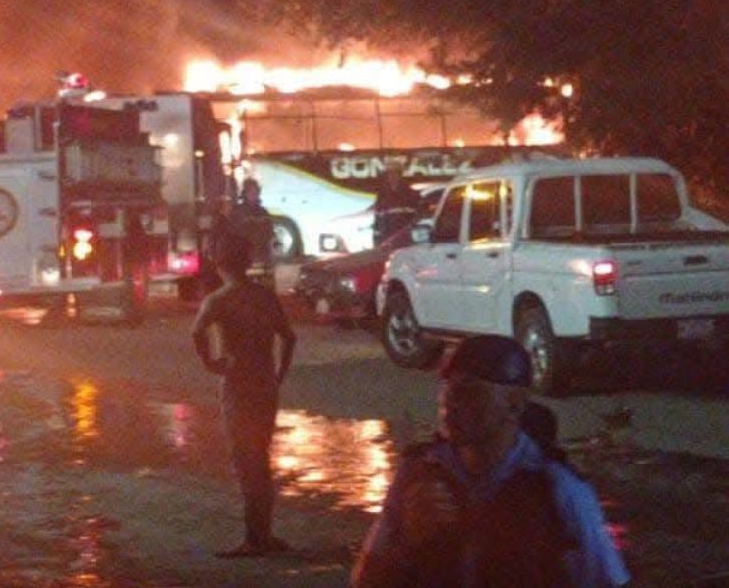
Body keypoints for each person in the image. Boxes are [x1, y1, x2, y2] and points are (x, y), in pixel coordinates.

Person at [351, 335, 630, 588]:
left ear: (515, 404)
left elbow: (608, 580)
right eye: (447, 388)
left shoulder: (560, 489)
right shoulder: (418, 477)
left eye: (470, 391)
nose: (450, 403)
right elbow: (363, 580)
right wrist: (408, 541)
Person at [191, 233, 297, 557]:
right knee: (261, 459)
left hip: (237, 385)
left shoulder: (218, 300)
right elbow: (289, 339)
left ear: (219, 263)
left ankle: (255, 539)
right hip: (265, 383)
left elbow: (197, 333)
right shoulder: (264, 297)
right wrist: (278, 375)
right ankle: (264, 534)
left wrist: (211, 363)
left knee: (246, 461)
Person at [227, 178, 276, 287]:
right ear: (245, 193)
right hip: (244, 258)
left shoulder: (263, 212)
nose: (254, 195)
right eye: (251, 192)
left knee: (266, 289)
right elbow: (232, 234)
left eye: (256, 192)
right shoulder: (237, 212)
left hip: (263, 258)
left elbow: (270, 232)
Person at [373, 161, 421, 243]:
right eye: (389, 174)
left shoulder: (411, 194)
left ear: (400, 175)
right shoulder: (382, 195)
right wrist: (377, 240)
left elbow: (417, 217)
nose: (392, 176)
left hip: (405, 238)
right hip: (387, 237)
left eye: (395, 173)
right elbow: (378, 219)